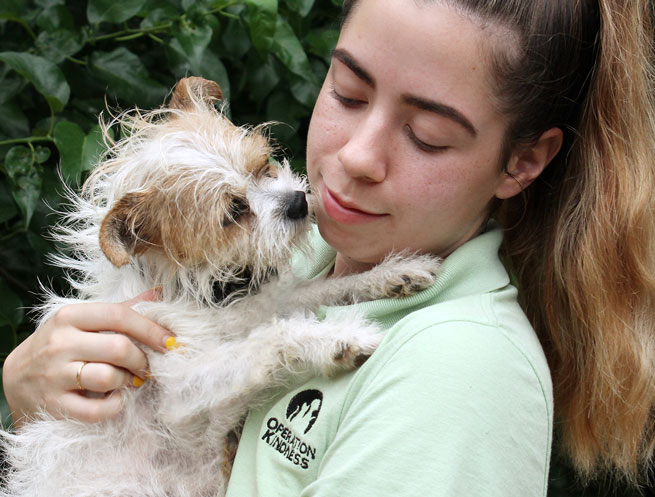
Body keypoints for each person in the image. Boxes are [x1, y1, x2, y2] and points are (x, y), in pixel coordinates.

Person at [3, 0, 655, 495]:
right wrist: (33, 398)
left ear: (521, 161)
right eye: (346, 92)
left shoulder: (459, 373)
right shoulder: (298, 251)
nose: (356, 156)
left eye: (426, 134)